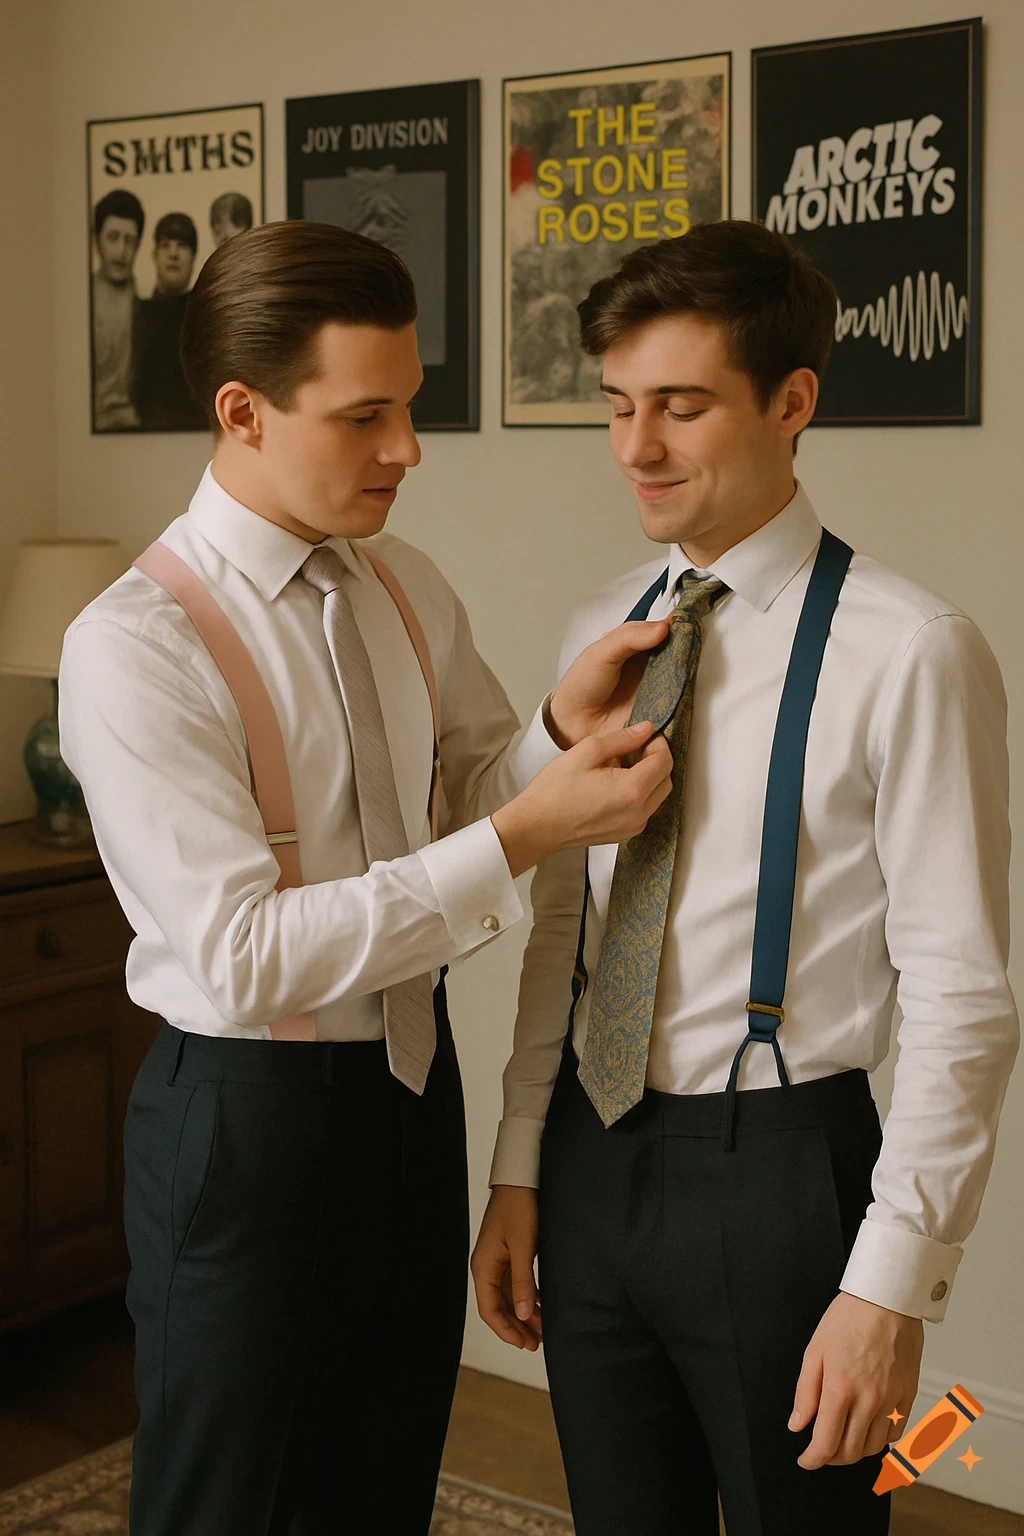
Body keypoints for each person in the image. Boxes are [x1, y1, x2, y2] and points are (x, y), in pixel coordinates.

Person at [58, 219, 673, 1536]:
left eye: (412, 409)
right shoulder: (132, 647)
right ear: (244, 411)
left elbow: (464, 798)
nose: (406, 451)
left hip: (411, 1098)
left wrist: (554, 742)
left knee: (378, 1491)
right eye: (367, 416)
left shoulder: (407, 587)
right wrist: (522, 834)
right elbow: (240, 954)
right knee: (225, 1508)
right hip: (245, 1124)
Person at [472, 220, 1018, 1536]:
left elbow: (965, 996)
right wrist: (519, 1166)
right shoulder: (603, 629)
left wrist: (891, 1285)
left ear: (792, 402)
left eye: (680, 406)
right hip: (596, 1167)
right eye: (616, 407)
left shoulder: (915, 651)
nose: (637, 449)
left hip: (784, 1180)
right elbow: (566, 923)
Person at [134, 211, 207, 432]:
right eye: (166, 245)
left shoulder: (205, 319)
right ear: (154, 254)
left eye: (182, 246)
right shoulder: (136, 314)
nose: (173, 254)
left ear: (194, 257)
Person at [91, 188, 143, 431]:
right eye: (113, 237)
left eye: (129, 241)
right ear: (97, 239)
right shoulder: (86, 304)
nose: (121, 250)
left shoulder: (142, 304)